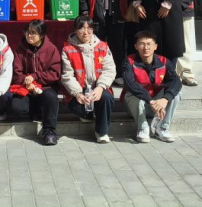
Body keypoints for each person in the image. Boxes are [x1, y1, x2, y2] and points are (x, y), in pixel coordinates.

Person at [61, 15, 116, 143]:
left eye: (89, 28)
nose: (86, 32)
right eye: (81, 28)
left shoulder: (102, 46)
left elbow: (109, 70)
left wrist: (101, 87)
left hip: (97, 87)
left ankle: (101, 132)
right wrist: (77, 93)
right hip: (80, 88)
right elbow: (67, 75)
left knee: (106, 98)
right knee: (77, 106)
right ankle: (87, 114)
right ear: (75, 30)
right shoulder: (67, 49)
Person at [122, 30, 182, 143]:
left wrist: (165, 99)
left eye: (149, 44)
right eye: (142, 44)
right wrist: (150, 100)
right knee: (131, 94)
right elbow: (130, 84)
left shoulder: (164, 61)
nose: (146, 48)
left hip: (157, 105)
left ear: (155, 46)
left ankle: (162, 127)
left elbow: (176, 81)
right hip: (136, 106)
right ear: (136, 46)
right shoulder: (128, 61)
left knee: (176, 92)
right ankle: (143, 128)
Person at [10, 20, 62, 145]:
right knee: (17, 108)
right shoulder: (20, 49)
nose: (29, 35)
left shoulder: (51, 49)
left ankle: (49, 131)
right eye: (27, 32)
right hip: (25, 88)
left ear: (42, 34)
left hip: (45, 87)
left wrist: (35, 76)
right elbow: (16, 74)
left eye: (33, 33)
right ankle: (35, 110)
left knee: (50, 97)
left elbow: (55, 73)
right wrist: (26, 80)